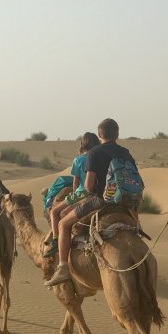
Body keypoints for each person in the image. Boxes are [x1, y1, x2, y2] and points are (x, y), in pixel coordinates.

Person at [45, 118, 139, 286]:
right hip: (126, 203)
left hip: (101, 201)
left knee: (64, 225)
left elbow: (88, 187)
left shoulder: (94, 153)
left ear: (99, 134)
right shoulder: (126, 152)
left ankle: (63, 268)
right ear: (117, 134)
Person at [44, 131, 99, 258]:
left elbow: (75, 183)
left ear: (83, 144)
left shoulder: (78, 160)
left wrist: (74, 199)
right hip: (97, 193)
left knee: (54, 211)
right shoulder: (98, 157)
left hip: (81, 193)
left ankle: (56, 240)